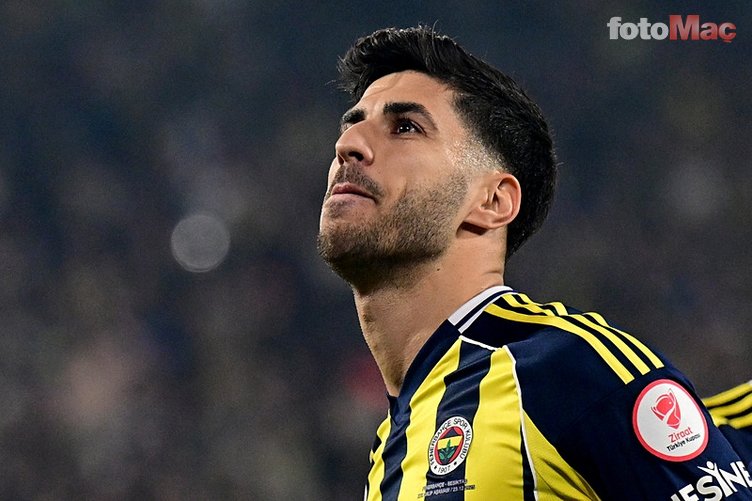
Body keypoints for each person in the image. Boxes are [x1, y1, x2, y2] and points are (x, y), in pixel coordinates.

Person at [316, 26, 752, 500]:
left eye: (406, 127)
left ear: (492, 201)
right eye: (351, 124)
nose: (348, 144)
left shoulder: (565, 368)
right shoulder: (391, 450)